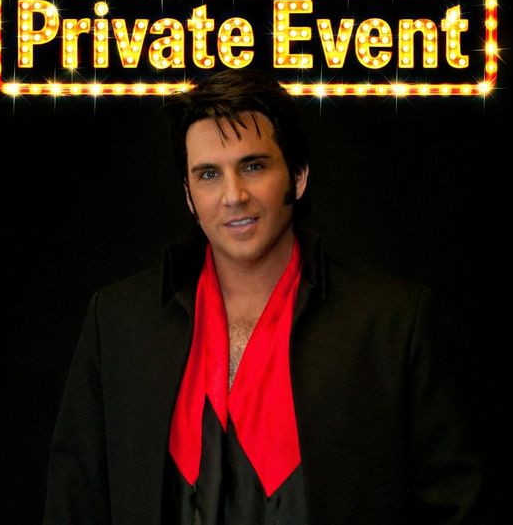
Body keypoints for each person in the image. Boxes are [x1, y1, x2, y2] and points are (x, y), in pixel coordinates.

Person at [43, 69, 483, 524]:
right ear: (189, 197)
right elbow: (73, 503)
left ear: (298, 176)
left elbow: (455, 506)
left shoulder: (392, 322)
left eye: (253, 166)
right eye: (208, 174)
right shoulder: (118, 321)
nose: (233, 196)